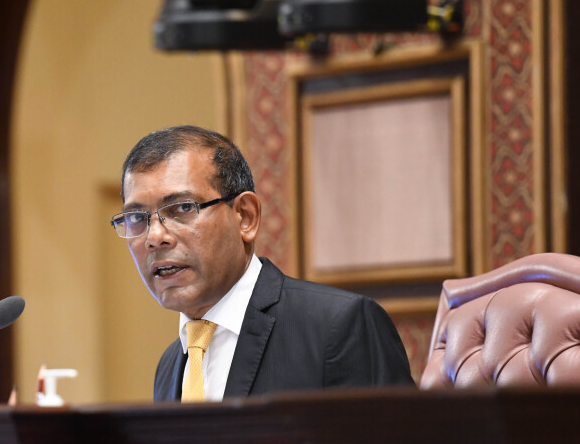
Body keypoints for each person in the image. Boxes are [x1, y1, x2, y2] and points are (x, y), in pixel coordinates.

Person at [113, 125, 414, 401]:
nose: (154, 237)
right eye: (137, 218)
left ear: (245, 216)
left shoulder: (338, 327)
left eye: (182, 208)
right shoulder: (170, 365)